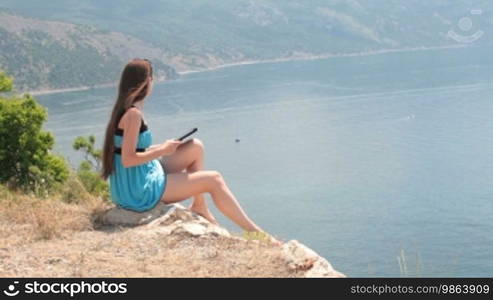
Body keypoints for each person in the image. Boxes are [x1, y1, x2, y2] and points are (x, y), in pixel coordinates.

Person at [101, 58, 279, 244]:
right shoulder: (133, 115)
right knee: (214, 179)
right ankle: (256, 234)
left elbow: (126, 151)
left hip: (135, 178)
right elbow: (128, 159)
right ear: (146, 82)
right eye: (152, 79)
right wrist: (162, 149)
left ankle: (199, 206)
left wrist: (164, 147)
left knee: (195, 146)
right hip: (138, 191)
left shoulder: (125, 110)